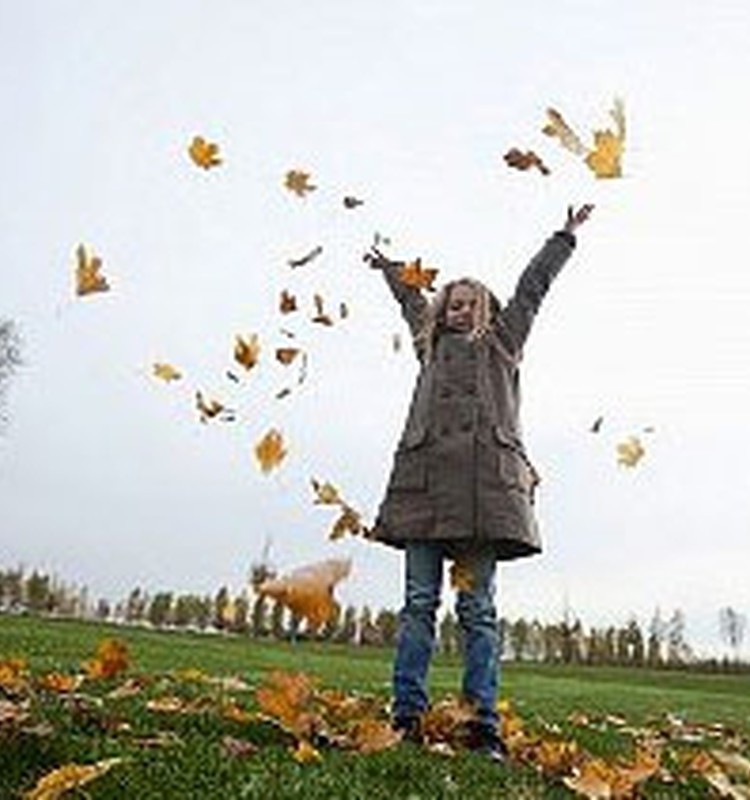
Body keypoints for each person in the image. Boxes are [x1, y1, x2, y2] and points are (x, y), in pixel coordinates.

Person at [365, 204, 594, 760]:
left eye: (472, 304)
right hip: (422, 490)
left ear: (487, 310)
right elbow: (410, 300)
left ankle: (481, 724)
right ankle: (407, 717)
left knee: (477, 612)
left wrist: (562, 236)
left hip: (481, 497)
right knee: (419, 603)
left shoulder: (503, 344)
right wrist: (392, 269)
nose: (461, 311)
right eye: (453, 304)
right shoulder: (429, 345)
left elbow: (532, 288)